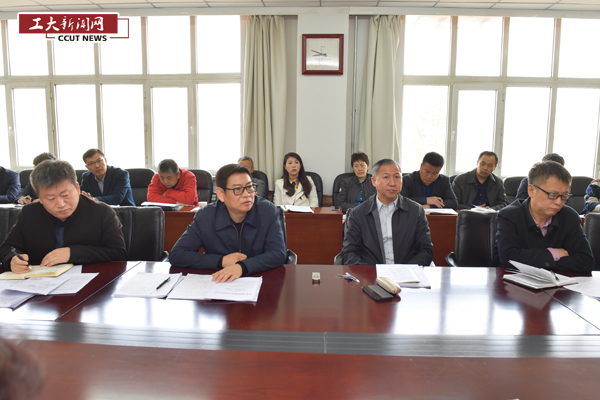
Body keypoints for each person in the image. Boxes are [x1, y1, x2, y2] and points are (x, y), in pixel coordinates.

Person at [0, 160, 126, 273]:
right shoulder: (30, 213)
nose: (60, 204)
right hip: (39, 283)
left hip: (90, 283)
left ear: (77, 188)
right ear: (40, 198)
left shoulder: (102, 213)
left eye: (65, 195)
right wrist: (12, 260)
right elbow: (8, 247)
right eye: (51, 198)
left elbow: (118, 253)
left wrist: (72, 253)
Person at [169, 164, 286, 282]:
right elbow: (177, 255)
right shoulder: (206, 216)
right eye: (238, 189)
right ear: (221, 194)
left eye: (249, 187)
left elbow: (278, 253)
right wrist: (221, 261)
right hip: (219, 282)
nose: (247, 194)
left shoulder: (266, 211)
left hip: (260, 279)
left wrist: (242, 267)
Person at [493, 161, 594, 272]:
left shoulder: (569, 217)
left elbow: (586, 261)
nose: (559, 202)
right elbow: (508, 259)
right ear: (531, 190)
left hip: (558, 281)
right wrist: (553, 254)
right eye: (552, 195)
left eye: (564, 196)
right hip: (512, 281)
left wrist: (534, 260)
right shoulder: (509, 216)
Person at [340, 159, 433, 266]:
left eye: (397, 177)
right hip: (371, 273)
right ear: (374, 181)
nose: (392, 183)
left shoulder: (416, 211)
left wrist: (405, 270)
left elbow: (425, 250)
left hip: (407, 273)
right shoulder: (357, 214)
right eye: (386, 177)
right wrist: (371, 272)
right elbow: (349, 253)